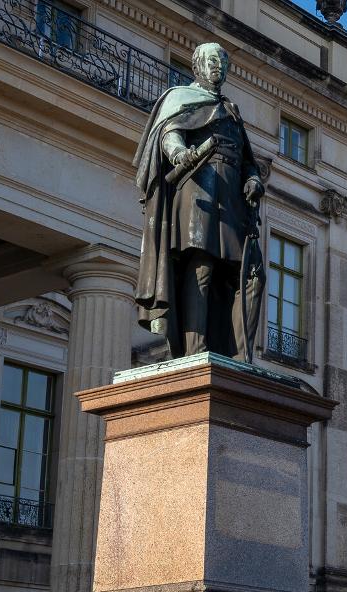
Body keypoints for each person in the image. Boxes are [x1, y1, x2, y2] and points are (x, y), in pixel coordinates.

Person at [133, 43, 266, 360]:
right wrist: (179, 153)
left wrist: (253, 179)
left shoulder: (231, 109)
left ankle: (239, 356)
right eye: (211, 60)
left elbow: (248, 161)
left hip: (232, 198)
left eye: (222, 60)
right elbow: (168, 133)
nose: (218, 65)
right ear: (196, 66)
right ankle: (196, 351)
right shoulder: (180, 98)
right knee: (201, 268)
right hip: (198, 191)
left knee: (252, 274)